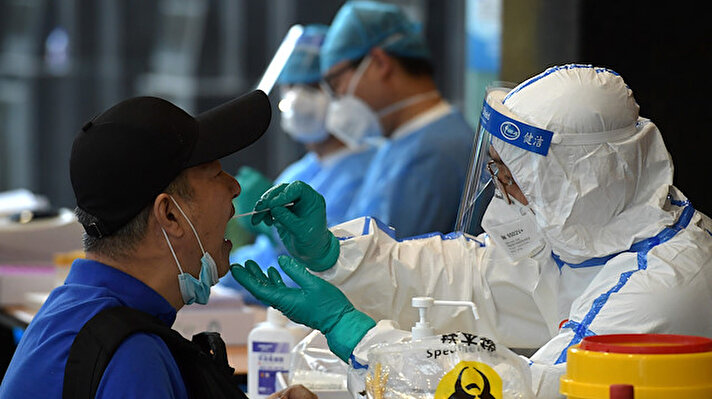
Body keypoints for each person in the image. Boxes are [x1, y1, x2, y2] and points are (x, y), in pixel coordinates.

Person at [231, 64, 712, 398]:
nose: (501, 192)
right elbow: (465, 277)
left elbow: (531, 391)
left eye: (514, 176)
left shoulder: (660, 287)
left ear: (579, 182)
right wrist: (336, 256)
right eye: (496, 169)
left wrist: (359, 337)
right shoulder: (584, 234)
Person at [0, 91, 315, 399]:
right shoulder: (131, 357)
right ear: (170, 215)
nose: (234, 187)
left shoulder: (72, 313)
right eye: (216, 173)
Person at [220, 24, 376, 296]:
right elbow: (264, 256)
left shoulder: (367, 170)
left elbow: (341, 262)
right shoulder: (301, 171)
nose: (297, 100)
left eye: (312, 86)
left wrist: (278, 229)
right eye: (290, 85)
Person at [319, 0, 475, 237]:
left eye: (337, 84)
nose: (337, 100)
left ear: (380, 62)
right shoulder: (401, 143)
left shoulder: (434, 154)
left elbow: (382, 266)